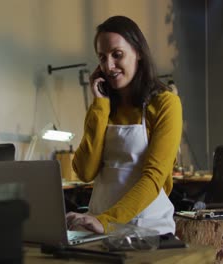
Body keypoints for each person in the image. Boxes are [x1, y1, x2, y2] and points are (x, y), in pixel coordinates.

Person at [66, 16, 182, 235]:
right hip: (98, 225)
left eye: (117, 55)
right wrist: (100, 105)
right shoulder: (104, 107)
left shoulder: (165, 103)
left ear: (138, 53)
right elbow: (84, 171)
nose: (109, 66)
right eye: (102, 58)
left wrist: (107, 220)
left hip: (146, 230)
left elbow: (154, 177)